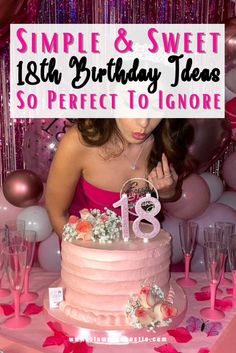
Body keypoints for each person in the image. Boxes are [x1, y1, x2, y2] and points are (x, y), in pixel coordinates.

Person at [45, 118, 196, 238]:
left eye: (155, 108)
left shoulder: (167, 140)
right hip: (88, 262)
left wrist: (167, 193)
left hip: (141, 260)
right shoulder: (80, 140)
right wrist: (86, 262)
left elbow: (170, 194)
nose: (144, 123)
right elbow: (57, 213)